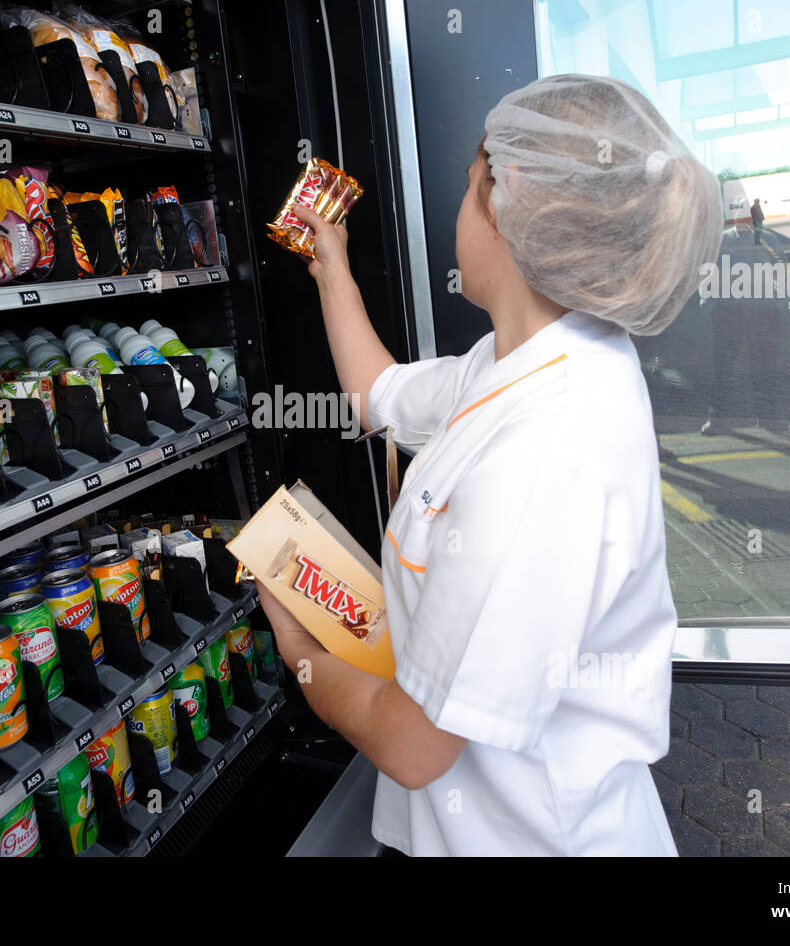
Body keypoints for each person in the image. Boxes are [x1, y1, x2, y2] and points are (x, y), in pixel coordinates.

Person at [257, 74, 721, 855]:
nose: (461, 209)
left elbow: (413, 745)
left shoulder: (547, 451)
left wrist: (302, 652)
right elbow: (376, 395)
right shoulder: (527, 358)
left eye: (473, 189)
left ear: (507, 216)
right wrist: (329, 260)